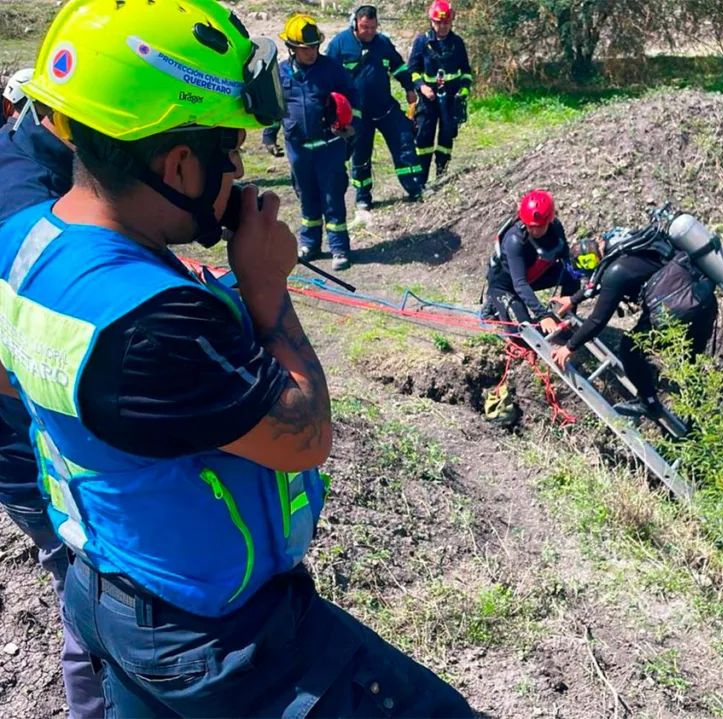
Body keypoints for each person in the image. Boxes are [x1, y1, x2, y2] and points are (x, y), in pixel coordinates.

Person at [1, 1, 473, 716]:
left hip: (111, 590)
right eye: (230, 150)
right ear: (179, 163)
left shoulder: (24, 244)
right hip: (218, 639)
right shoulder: (153, 321)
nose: (239, 169)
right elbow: (305, 435)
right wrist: (266, 286)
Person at [0, 72, 104, 719]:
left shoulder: (31, 174)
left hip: (29, 453)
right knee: (92, 601)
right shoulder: (27, 201)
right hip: (34, 455)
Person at [551, 227, 719, 420]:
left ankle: (648, 403)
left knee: (630, 348)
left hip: (677, 312)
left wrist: (569, 347)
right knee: (692, 362)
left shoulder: (615, 272)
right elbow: (600, 283)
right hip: (702, 299)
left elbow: (597, 320)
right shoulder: (630, 245)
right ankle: (700, 423)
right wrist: (573, 299)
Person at [262, 14, 361, 271]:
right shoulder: (281, 73)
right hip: (298, 149)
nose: (312, 52)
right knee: (306, 197)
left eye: (315, 46)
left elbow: (353, 98)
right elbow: (276, 109)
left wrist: (352, 125)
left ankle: (339, 248)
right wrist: (269, 136)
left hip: (329, 147)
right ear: (292, 48)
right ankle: (311, 245)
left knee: (332, 197)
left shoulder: (331, 69)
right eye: (306, 49)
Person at [326, 5, 424, 210]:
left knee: (405, 140)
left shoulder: (383, 43)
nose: (369, 32)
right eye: (364, 27)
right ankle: (363, 197)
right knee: (360, 155)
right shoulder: (339, 44)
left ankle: (415, 187)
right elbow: (327, 77)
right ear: (355, 24)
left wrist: (408, 87)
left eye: (373, 27)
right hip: (357, 114)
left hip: (385, 107)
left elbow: (398, 66)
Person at [486, 189, 580, 335]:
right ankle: (494, 303)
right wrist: (543, 314)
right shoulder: (514, 240)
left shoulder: (555, 228)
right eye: (531, 226)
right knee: (523, 331)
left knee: (572, 274)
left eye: (540, 226)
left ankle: (566, 316)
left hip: (534, 276)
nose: (535, 231)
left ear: (549, 220)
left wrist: (573, 297)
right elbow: (519, 283)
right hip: (507, 285)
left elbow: (566, 258)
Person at [408, 0, 473, 185]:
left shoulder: (457, 43)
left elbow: (466, 71)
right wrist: (422, 86)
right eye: (438, 22)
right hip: (428, 100)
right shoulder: (422, 42)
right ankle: (421, 182)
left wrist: (464, 90)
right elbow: (412, 69)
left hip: (450, 99)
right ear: (431, 21)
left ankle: (441, 177)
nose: (442, 26)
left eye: (446, 22)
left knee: (446, 138)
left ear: (451, 21)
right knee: (424, 138)